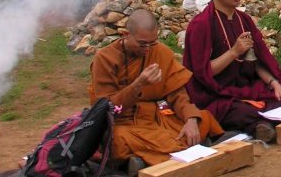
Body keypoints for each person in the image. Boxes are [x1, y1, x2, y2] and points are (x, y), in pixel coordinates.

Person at [183, 0, 281, 143]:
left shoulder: (244, 20)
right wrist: (234, 51)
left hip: (247, 88)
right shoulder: (201, 24)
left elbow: (257, 61)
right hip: (219, 95)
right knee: (238, 111)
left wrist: (275, 85)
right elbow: (203, 72)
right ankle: (263, 124)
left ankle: (264, 124)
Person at [88, 9, 224, 173]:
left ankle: (143, 160)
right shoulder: (105, 59)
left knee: (202, 119)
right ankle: (183, 151)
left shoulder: (160, 52)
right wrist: (138, 85)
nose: (148, 49)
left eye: (152, 43)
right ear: (125, 34)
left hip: (156, 118)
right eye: (142, 44)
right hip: (123, 122)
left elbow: (177, 94)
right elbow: (107, 108)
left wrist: (190, 119)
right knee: (117, 139)